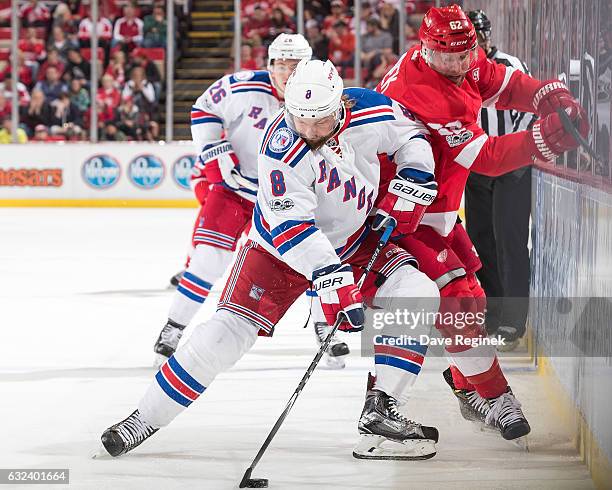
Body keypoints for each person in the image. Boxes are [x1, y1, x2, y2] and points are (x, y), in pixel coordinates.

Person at [100, 59, 441, 461]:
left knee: (418, 291)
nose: (310, 131)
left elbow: (412, 136)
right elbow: (292, 227)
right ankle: (144, 417)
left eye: (320, 121)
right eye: (301, 120)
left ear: (340, 105)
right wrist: (333, 280)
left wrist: (415, 173)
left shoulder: (369, 108)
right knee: (225, 334)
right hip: (279, 249)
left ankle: (380, 413)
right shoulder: (281, 147)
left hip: (354, 239)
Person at [375, 4, 588, 441]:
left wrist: (545, 93)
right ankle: (496, 398)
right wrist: (541, 142)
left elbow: (500, 81)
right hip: (403, 217)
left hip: (436, 211)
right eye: (452, 56)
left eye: (468, 52)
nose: (463, 63)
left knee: (470, 294)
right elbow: (485, 157)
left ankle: (462, 382)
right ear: (427, 50)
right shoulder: (421, 92)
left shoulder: (456, 59)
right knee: (458, 306)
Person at [152, 34, 349, 368]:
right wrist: (217, 152)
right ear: (269, 65)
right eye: (281, 65)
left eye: (295, 65)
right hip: (238, 190)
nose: (287, 73)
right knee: (208, 260)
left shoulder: (325, 96)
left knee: (317, 259)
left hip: (292, 199)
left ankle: (326, 327)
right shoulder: (241, 87)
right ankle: (173, 327)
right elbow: (203, 109)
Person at [464, 10, 537, 350]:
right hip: (477, 167)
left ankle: (512, 320)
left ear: (487, 36)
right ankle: (493, 313)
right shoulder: (457, 73)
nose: (475, 42)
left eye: (479, 35)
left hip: (511, 166)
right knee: (479, 240)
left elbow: (529, 111)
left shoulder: (509, 65)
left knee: (509, 240)